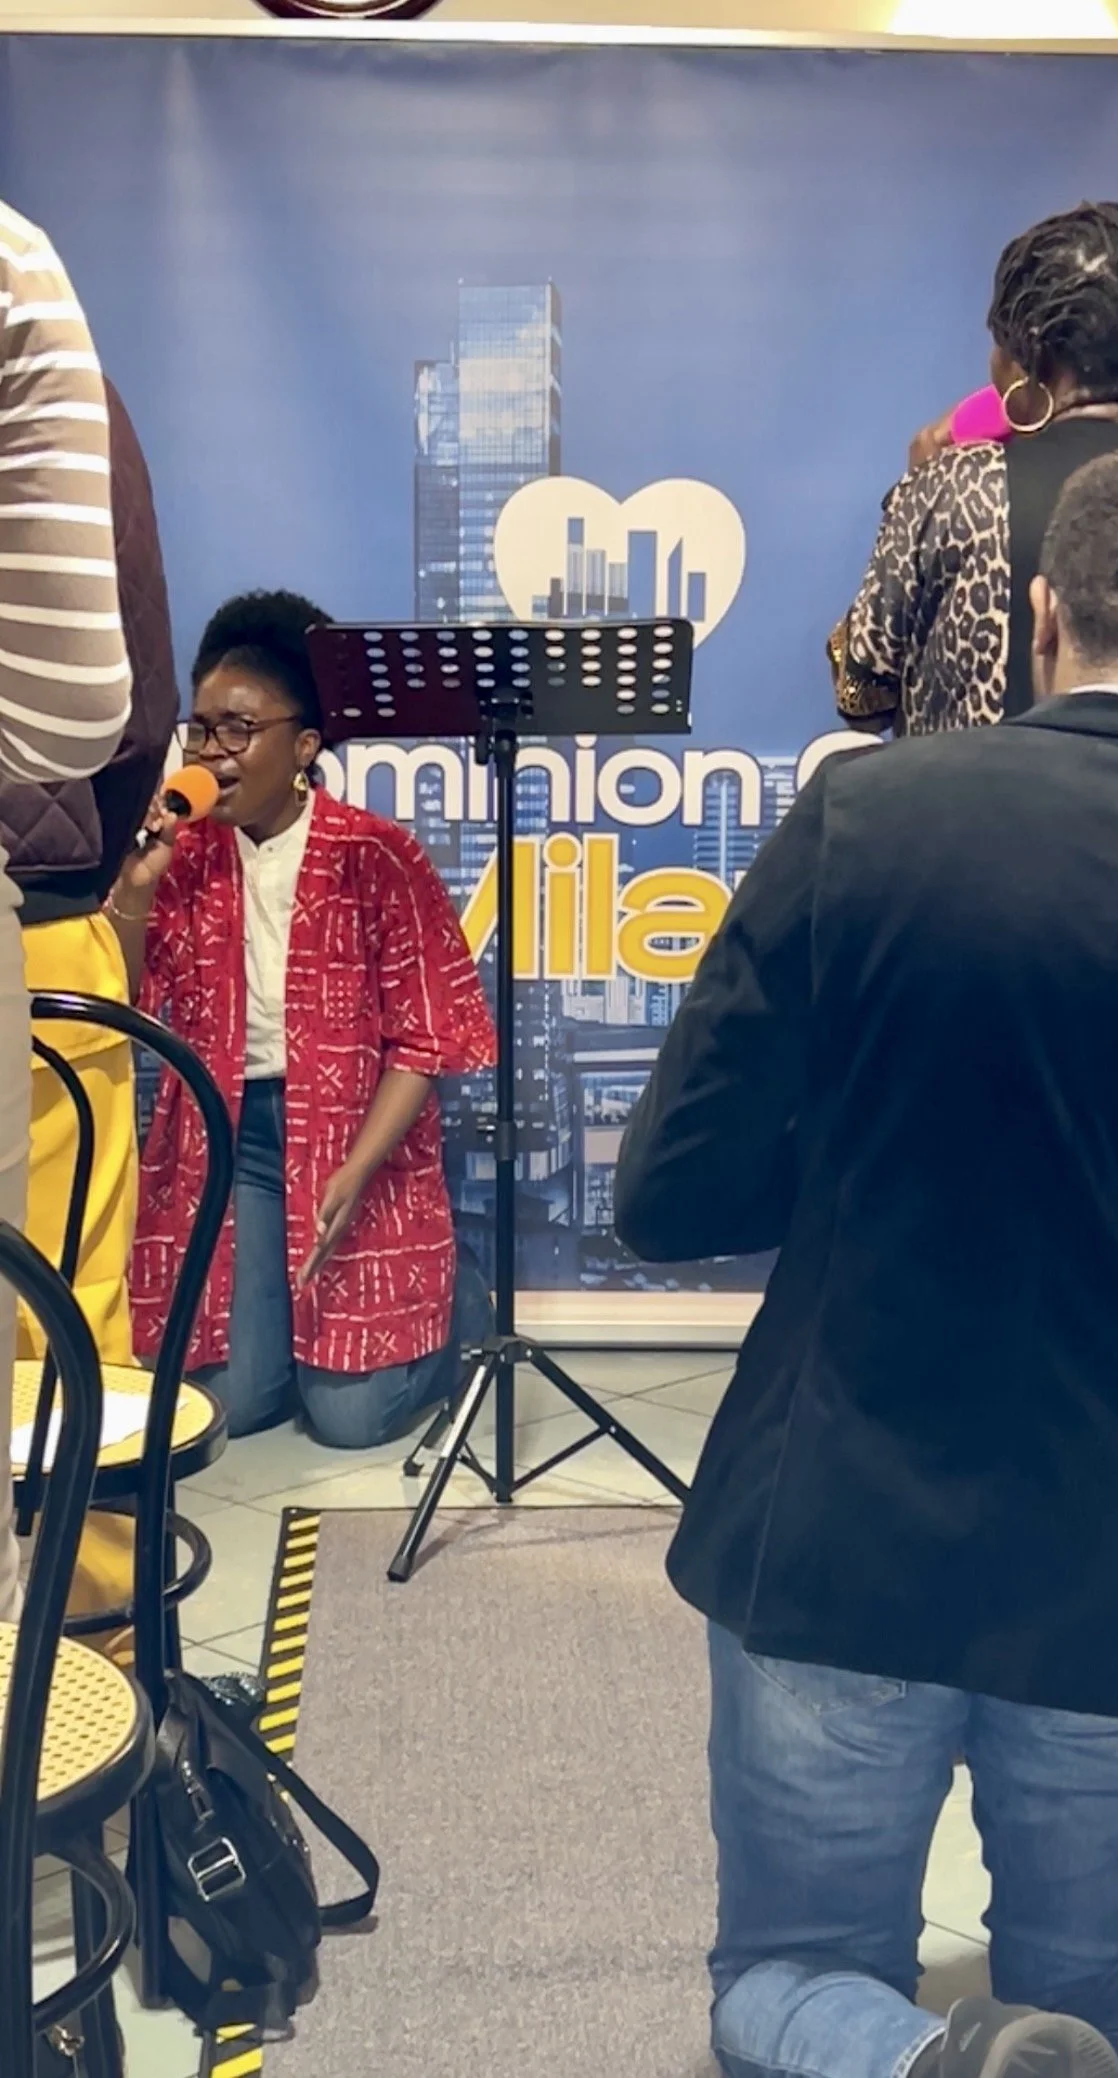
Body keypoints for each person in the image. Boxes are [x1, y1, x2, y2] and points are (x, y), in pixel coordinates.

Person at [615, 445, 1118, 2078]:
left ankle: (923, 2061)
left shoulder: (866, 810)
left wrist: (858, 1147)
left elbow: (669, 1193)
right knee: (1106, 2015)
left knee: (782, 1974)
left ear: (1044, 613)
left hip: (836, 1526)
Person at [106, 590, 495, 1448]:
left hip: (356, 1136)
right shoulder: (184, 859)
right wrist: (134, 889)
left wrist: (355, 1169)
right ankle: (284, 1322)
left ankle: (460, 1305)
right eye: (202, 730)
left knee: (351, 1422)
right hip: (231, 1137)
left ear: (305, 747)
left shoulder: (377, 854)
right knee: (231, 1407)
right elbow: (126, 1002)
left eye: (239, 730)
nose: (213, 753)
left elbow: (425, 1039)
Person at [0, 198, 132, 1616]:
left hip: (43, 911)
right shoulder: (16, 266)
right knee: (59, 1316)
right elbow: (85, 709)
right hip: (37, 915)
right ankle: (74, 1646)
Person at [829, 201, 1118, 735]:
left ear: (1029, 356)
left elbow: (860, 694)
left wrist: (911, 496)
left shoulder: (954, 488)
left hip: (971, 792)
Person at [4, 375, 179, 1364]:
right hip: (35, 922)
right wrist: (79, 867)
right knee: (66, 1297)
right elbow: (136, 701)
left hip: (44, 913)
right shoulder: (54, 387)